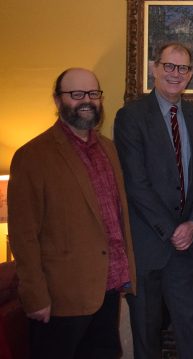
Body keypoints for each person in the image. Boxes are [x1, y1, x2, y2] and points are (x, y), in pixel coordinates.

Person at [8, 68, 136, 358]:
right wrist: (36, 297)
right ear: (57, 100)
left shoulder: (108, 149)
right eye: (76, 94)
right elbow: (23, 235)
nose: (86, 101)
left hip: (108, 288)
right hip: (61, 298)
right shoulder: (32, 157)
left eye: (93, 94)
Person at [114, 43, 193, 359]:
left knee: (189, 330)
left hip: (185, 248)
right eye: (169, 66)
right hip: (147, 246)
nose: (175, 74)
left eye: (182, 69)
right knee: (146, 333)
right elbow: (135, 183)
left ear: (191, 74)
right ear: (155, 68)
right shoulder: (130, 116)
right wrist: (171, 230)